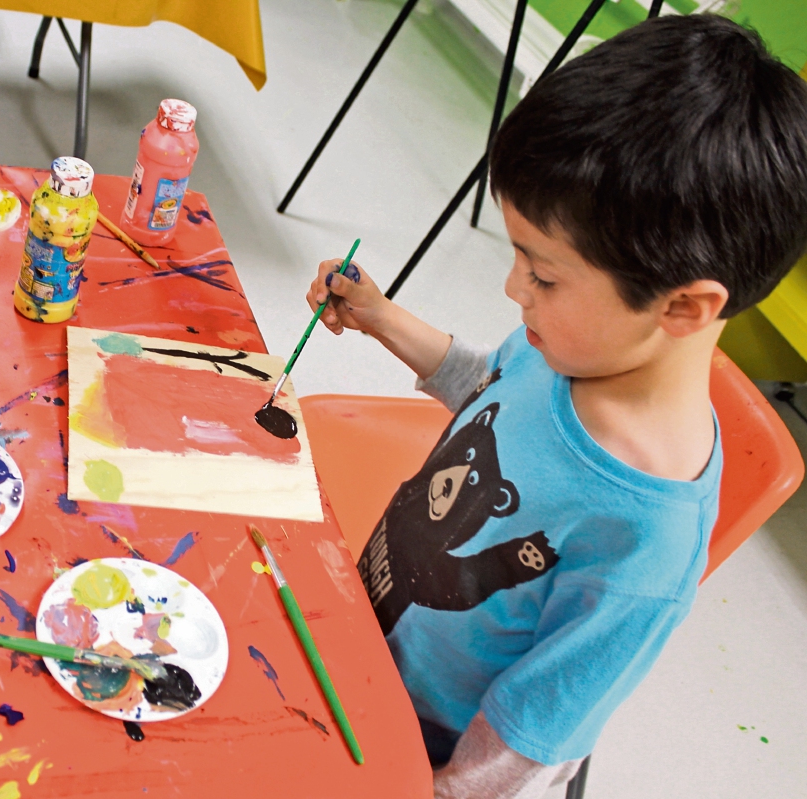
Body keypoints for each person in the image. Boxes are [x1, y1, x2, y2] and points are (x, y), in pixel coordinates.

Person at [306, 15, 807, 799]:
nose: (515, 292)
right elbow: (489, 391)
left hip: (406, 744)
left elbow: (523, 747)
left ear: (682, 309)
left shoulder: (644, 545)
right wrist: (383, 318)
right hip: (357, 634)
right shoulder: (573, 348)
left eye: (542, 276)